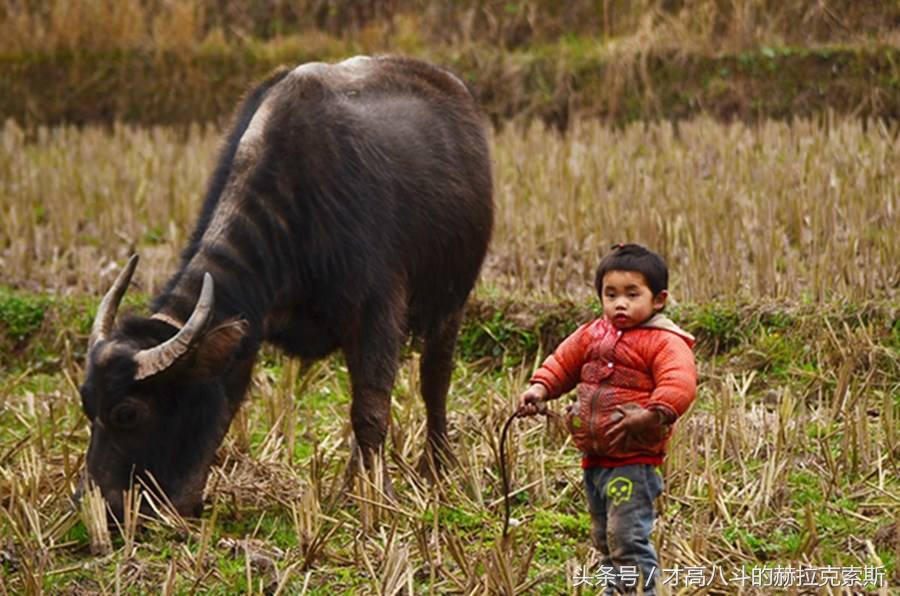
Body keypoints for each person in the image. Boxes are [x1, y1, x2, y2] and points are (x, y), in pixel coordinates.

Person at [518, 243, 697, 595]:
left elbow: (679, 381)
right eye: (610, 294)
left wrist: (651, 414)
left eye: (632, 294)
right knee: (603, 536)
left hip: (634, 460)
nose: (620, 303)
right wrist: (539, 389)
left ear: (658, 300)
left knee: (626, 536)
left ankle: (639, 591)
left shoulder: (664, 341)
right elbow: (562, 364)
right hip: (595, 458)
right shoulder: (591, 334)